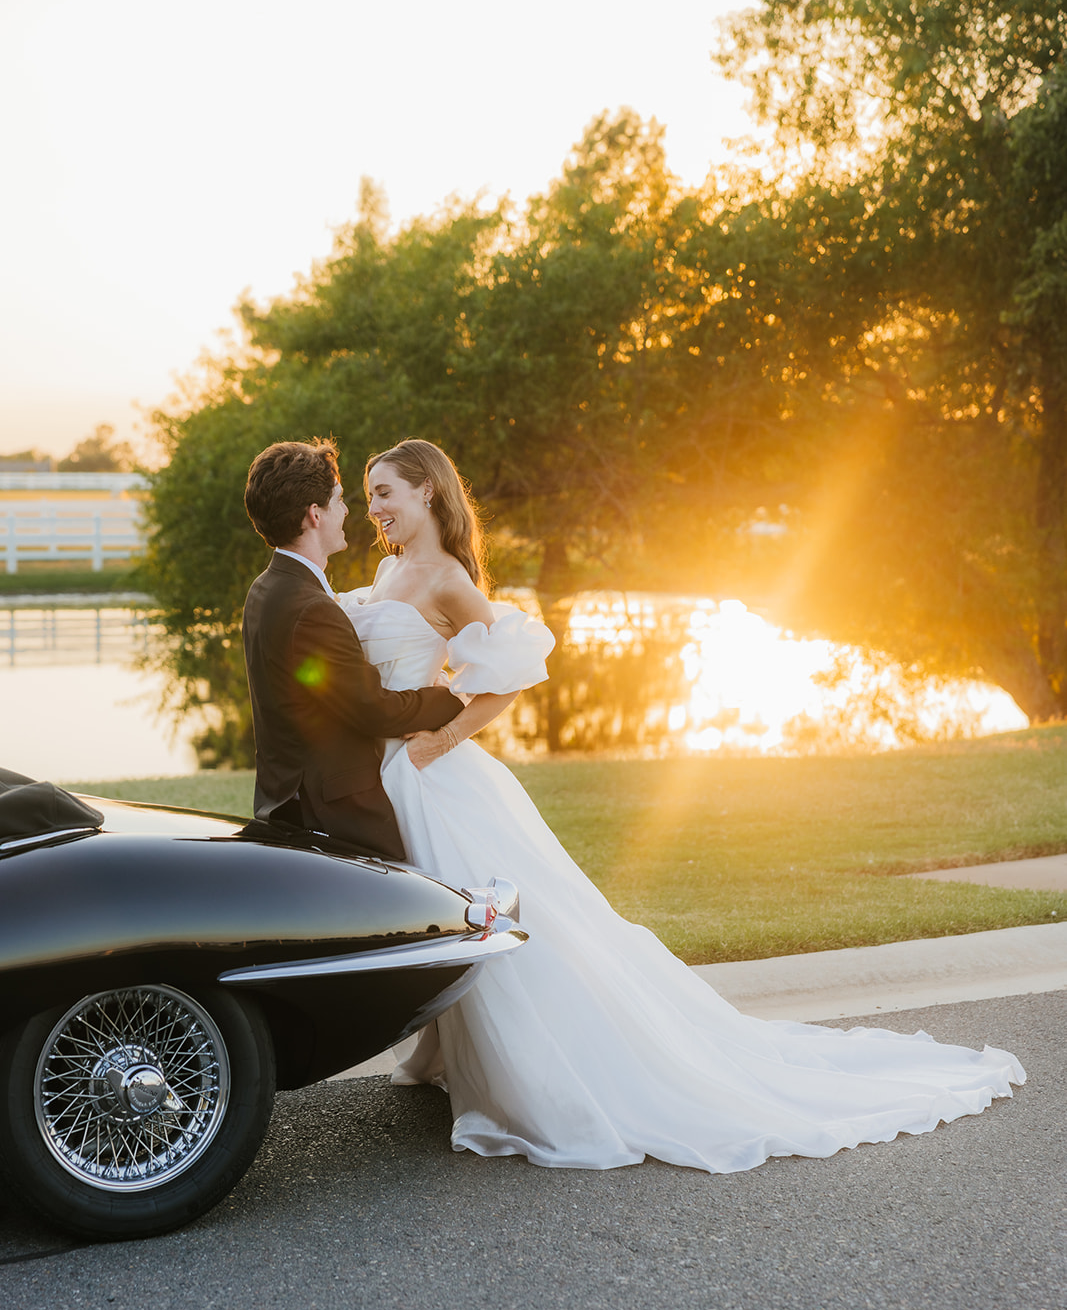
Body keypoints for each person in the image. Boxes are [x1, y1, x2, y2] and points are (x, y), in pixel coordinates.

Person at [340, 438, 1025, 1174]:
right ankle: (449, 1049)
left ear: (429, 495)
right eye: (370, 493)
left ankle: (543, 1077)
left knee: (495, 922)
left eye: (385, 492)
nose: (374, 507)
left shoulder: (446, 581)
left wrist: (439, 740)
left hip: (433, 775)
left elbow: (506, 678)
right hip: (393, 771)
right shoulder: (386, 571)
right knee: (449, 916)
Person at [241, 438, 465, 861]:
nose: (349, 512)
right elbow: (372, 710)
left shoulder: (266, 589)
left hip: (289, 801)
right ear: (315, 515)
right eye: (341, 500)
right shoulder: (310, 609)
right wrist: (452, 698)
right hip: (336, 817)